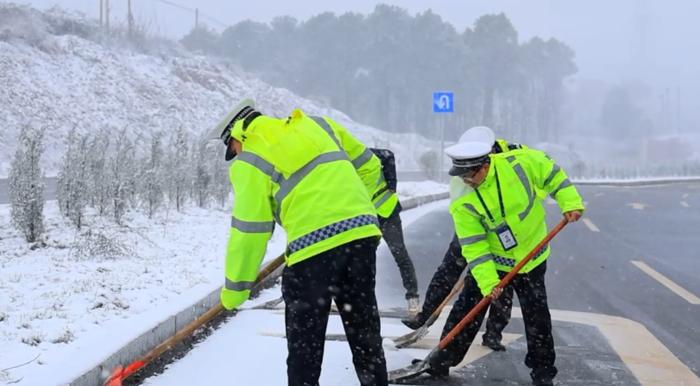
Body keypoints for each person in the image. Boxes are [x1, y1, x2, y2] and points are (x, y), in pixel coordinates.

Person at [209, 99, 388, 386]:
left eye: (232, 149)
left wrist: (234, 292)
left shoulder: (249, 158)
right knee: (364, 330)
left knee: (305, 344)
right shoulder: (317, 124)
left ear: (236, 137)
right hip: (361, 237)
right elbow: (370, 165)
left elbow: (250, 231)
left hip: (313, 251)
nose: (235, 153)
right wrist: (355, 213)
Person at [421, 134, 584, 386]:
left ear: (485, 165)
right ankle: (440, 363)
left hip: (532, 255)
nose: (466, 180)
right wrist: (489, 283)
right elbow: (474, 247)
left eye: (469, 175)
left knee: (537, 316)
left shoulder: (520, 163)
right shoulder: (463, 200)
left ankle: (543, 374)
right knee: (467, 309)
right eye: (461, 175)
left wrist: (570, 202)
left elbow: (552, 175)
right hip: (495, 262)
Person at [401, 126, 522, 351]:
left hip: (504, 228)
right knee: (448, 269)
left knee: (502, 281)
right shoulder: (464, 164)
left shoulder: (512, 155)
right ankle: (426, 316)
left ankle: (494, 331)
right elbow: (458, 195)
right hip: (472, 222)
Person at [369, 147, 420, 315]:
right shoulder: (342, 168)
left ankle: (413, 298)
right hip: (368, 216)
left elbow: (388, 154)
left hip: (388, 213)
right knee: (364, 259)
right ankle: (365, 300)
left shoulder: (362, 155)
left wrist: (392, 183)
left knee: (400, 254)